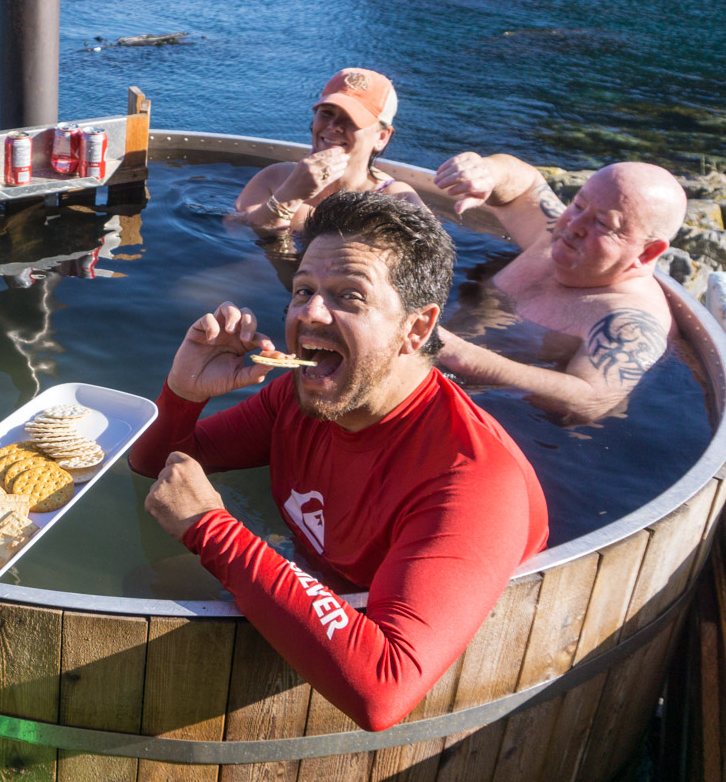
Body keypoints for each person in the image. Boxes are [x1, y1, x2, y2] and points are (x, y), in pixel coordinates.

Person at [129, 191, 548, 732]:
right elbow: (156, 468)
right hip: (328, 588)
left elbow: (384, 692)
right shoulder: (302, 397)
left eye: (349, 297)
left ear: (417, 329)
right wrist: (184, 393)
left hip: (426, 678)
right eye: (303, 291)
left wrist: (213, 530)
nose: (310, 314)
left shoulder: (471, 478)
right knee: (148, 581)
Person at [432, 155, 686, 423]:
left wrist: (460, 355)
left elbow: (589, 400)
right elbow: (525, 185)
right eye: (578, 204)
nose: (573, 226)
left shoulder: (632, 321)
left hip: (482, 414)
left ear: (649, 251)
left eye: (603, 224)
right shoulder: (556, 235)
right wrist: (489, 172)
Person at [235, 68, 422, 234]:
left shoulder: (397, 199)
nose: (333, 126)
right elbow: (233, 232)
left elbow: (433, 262)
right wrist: (289, 196)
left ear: (381, 137)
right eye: (327, 113)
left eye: (351, 119)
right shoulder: (275, 178)